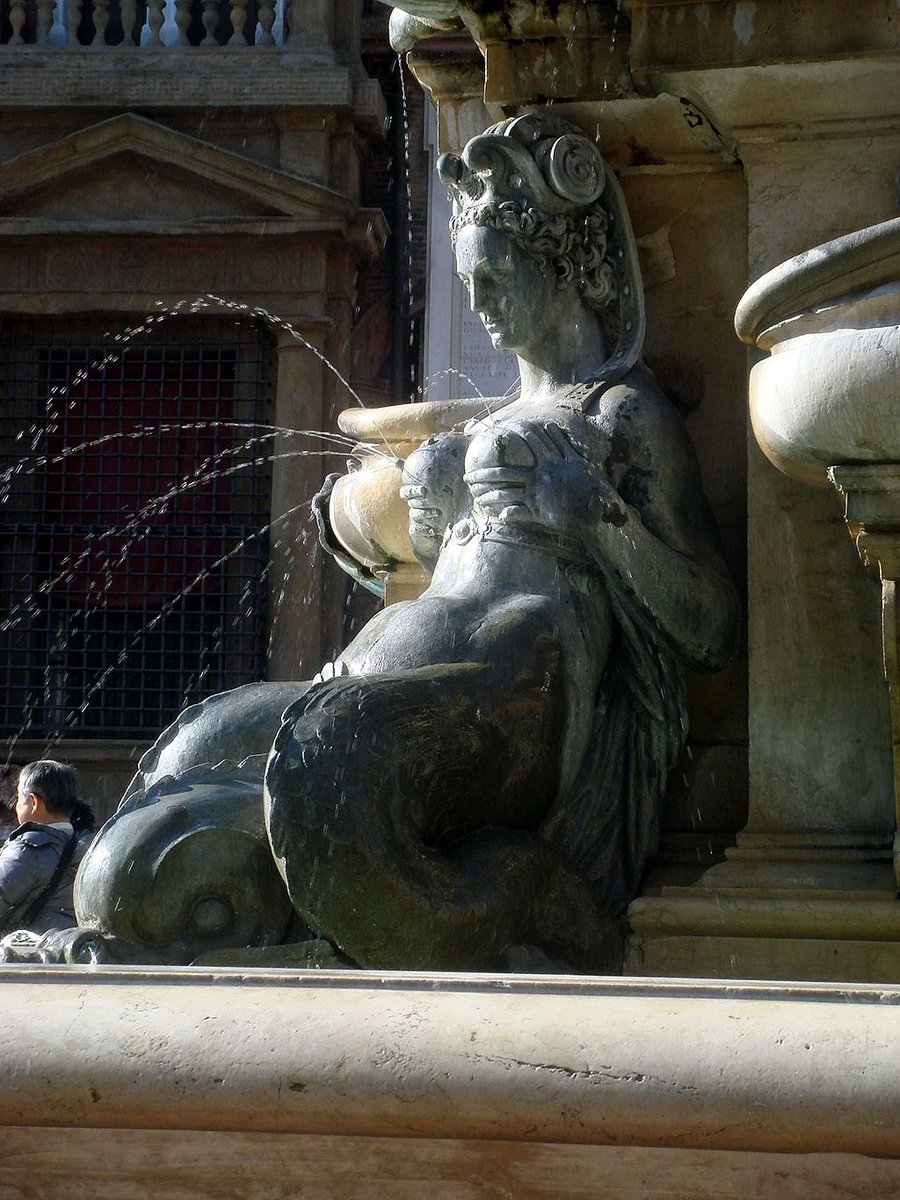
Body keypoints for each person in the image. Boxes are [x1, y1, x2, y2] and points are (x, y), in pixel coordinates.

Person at [75, 115, 739, 973]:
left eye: (498, 277)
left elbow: (712, 625)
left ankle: (415, 930)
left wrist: (598, 518)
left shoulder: (619, 412)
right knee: (195, 750)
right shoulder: (499, 420)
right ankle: (180, 931)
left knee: (329, 768)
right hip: (384, 686)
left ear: (562, 263)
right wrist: (430, 523)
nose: (485, 305)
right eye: (472, 285)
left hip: (511, 711)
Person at [0, 760, 95, 935]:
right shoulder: (91, 848)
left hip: (29, 956)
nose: (15, 805)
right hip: (74, 952)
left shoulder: (28, 848)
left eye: (19, 797)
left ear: (34, 802)